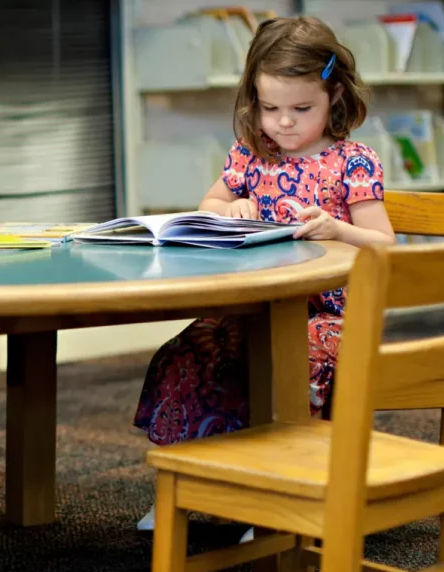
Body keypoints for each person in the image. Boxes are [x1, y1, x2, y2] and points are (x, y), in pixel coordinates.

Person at [132, 16, 396, 534]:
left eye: (302, 109)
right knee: (191, 353)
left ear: (334, 97)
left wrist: (336, 228)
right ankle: (182, 489)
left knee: (288, 364)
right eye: (270, 109)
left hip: (332, 314)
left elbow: (385, 243)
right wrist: (230, 210)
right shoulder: (251, 157)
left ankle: (281, 497)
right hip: (252, 305)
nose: (285, 123)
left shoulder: (353, 162)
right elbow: (209, 203)